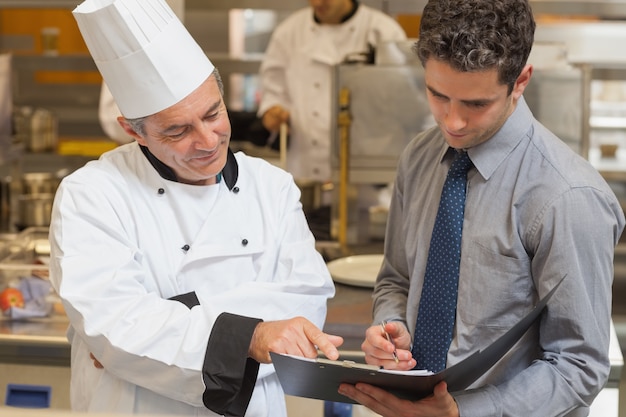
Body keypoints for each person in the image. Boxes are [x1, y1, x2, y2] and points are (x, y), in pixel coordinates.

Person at [49, 1, 343, 416]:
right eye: (178, 130)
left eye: (213, 113)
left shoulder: (272, 188)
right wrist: (249, 336)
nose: (207, 141)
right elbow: (113, 326)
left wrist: (168, 314)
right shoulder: (92, 194)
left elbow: (306, 306)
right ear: (134, 132)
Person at [337, 0, 626, 416]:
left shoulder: (567, 197)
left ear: (520, 80)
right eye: (438, 95)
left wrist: (462, 413)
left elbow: (579, 365)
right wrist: (392, 327)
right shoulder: (420, 157)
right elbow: (396, 279)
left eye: (476, 104)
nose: (452, 122)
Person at [257, 0, 407, 183]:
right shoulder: (289, 32)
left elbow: (404, 102)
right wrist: (273, 112)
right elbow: (273, 91)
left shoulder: (382, 31)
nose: (317, 3)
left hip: (365, 175)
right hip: (304, 168)